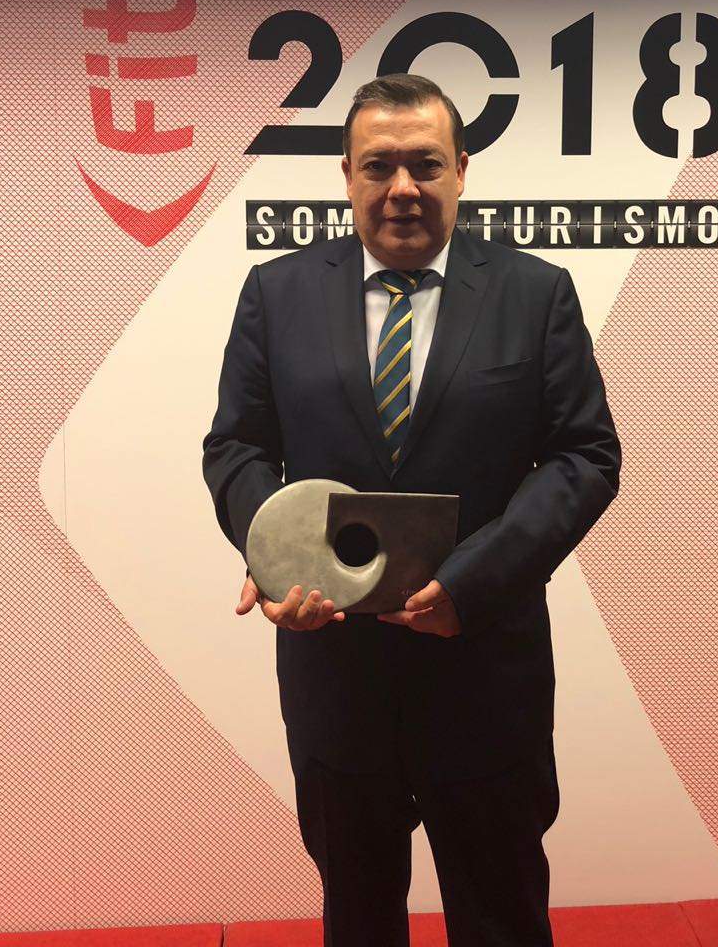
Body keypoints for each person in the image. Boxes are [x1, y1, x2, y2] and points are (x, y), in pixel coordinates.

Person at [203, 73, 620, 947]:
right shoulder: (276, 294)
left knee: (502, 917)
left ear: (461, 170)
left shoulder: (534, 293)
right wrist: (276, 557)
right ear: (346, 175)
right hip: (335, 671)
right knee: (357, 917)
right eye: (379, 166)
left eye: (425, 165)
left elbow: (584, 456)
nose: (402, 188)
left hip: (484, 668)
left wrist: (473, 584)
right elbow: (237, 447)